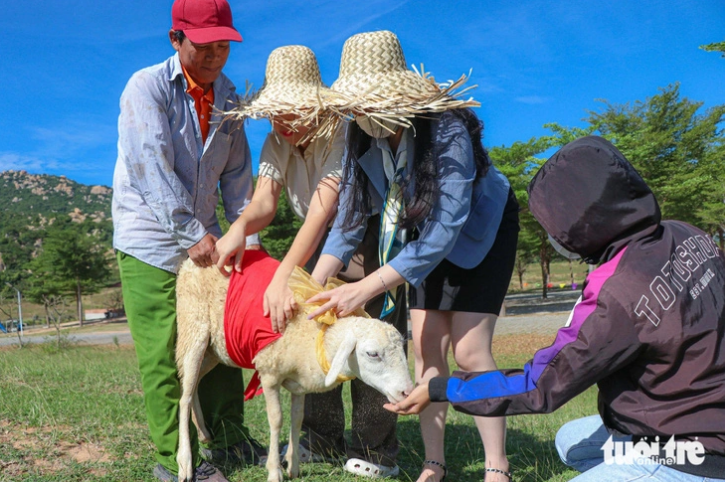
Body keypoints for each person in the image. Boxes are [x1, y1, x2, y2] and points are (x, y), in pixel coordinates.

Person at [386, 136, 725, 482]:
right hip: (697, 414)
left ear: (579, 220)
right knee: (570, 443)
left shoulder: (616, 292)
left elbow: (539, 385)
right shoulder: (687, 234)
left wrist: (440, 388)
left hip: (689, 454)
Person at [306, 31, 519, 482]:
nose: (362, 114)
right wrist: (314, 288)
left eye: (371, 103)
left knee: (470, 350)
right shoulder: (362, 135)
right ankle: (433, 462)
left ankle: (496, 465)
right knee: (425, 352)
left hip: (480, 234)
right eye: (356, 107)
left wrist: (366, 286)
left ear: (398, 95)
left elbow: (448, 226)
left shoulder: (446, 129)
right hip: (417, 242)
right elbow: (345, 222)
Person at [214, 44, 409, 478]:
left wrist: (285, 277)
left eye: (290, 111)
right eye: (274, 112)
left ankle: (377, 450)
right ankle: (321, 438)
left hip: (370, 239)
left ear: (313, 105)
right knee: (316, 337)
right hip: (320, 245)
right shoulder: (274, 141)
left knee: (370, 335)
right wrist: (237, 229)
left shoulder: (341, 134)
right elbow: (264, 201)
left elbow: (325, 208)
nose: (280, 122)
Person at [112, 1, 266, 480]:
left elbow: (239, 178)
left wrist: (248, 240)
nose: (215, 54)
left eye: (224, 44)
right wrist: (192, 232)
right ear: (176, 38)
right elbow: (149, 167)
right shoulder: (147, 87)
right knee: (164, 351)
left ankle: (230, 442)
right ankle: (173, 460)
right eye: (204, 45)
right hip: (152, 240)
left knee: (220, 342)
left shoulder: (230, 99)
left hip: (209, 242)